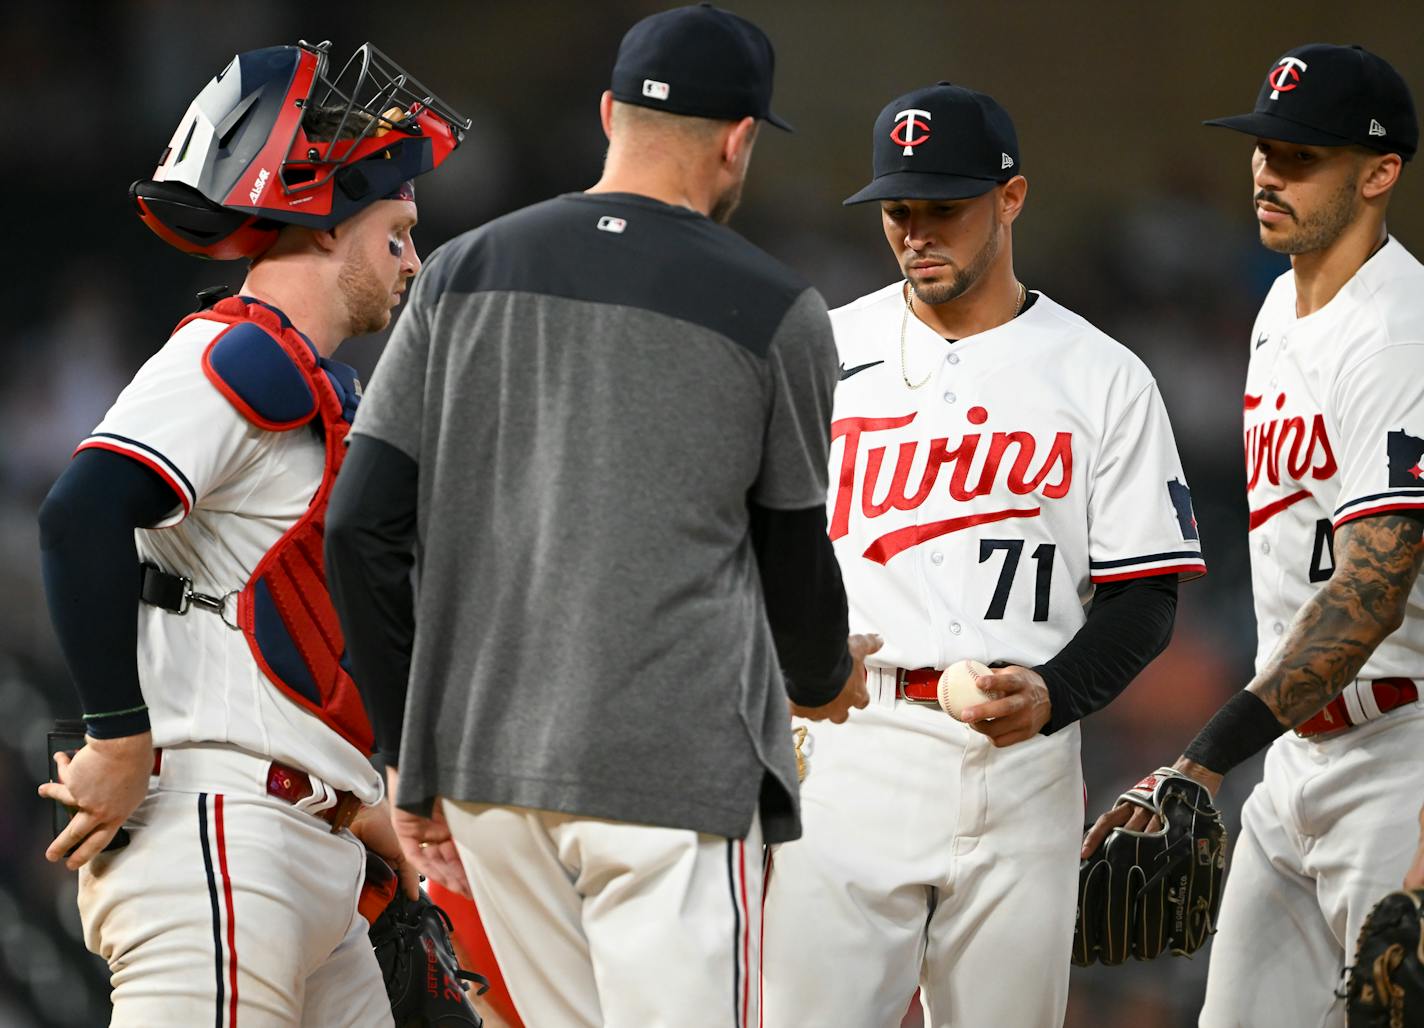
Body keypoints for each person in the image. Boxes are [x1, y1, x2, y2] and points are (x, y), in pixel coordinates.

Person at [323, 5, 876, 1026]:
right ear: (739, 138)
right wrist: (823, 676)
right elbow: (790, 555)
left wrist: (407, 751)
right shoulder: (775, 306)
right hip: (671, 766)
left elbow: (359, 526)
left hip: (489, 771)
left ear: (608, 112)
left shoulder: (460, 271)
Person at [759, 82, 1207, 1028]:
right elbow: (752, 547)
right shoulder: (822, 348)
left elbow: (1147, 595)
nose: (917, 233)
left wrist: (1057, 696)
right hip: (849, 743)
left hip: (1022, 770)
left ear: (1011, 199)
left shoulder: (1102, 375)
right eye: (898, 211)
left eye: (944, 209)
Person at [36, 41, 466, 1025]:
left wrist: (372, 820)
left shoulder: (316, 390)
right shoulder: (235, 351)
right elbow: (81, 513)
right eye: (395, 232)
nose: (412, 259)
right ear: (324, 231)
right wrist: (115, 734)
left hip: (303, 843)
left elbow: (266, 639)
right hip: (223, 837)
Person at [1083, 43, 1424, 1027]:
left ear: (1377, 172)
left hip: (1396, 747)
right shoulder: (1277, 304)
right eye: (1262, 148)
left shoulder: (1399, 332)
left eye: (1301, 155)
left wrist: (1201, 755)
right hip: (1289, 761)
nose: (1268, 172)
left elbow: (1368, 594)